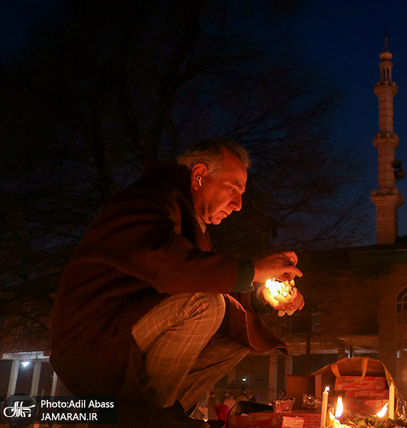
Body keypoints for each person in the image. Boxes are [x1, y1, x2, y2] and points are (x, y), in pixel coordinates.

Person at [50, 138, 305, 427]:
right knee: (204, 305)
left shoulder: (188, 221)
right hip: (94, 341)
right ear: (198, 176)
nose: (238, 205)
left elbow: (197, 277)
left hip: (127, 332)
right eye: (232, 189)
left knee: (241, 328)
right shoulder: (148, 200)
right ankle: (151, 420)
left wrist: (261, 298)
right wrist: (254, 270)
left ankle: (167, 412)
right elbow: (172, 267)